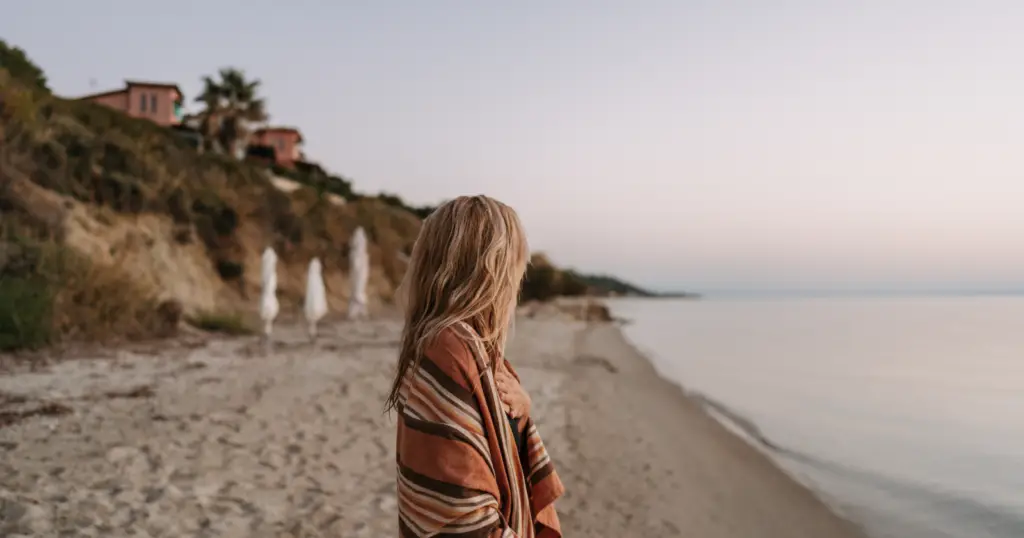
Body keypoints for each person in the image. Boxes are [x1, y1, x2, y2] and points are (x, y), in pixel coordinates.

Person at [384, 195, 565, 537]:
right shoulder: (449, 348)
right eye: (515, 269)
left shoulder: (474, 349)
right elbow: (460, 516)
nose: (516, 285)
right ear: (490, 273)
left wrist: (523, 411)